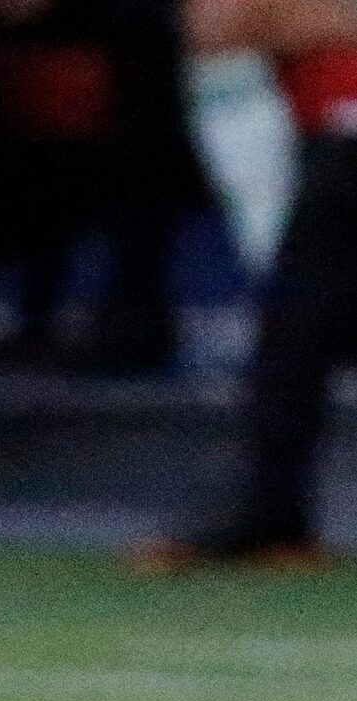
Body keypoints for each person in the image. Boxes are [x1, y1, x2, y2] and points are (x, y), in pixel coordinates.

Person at [135, 0, 357, 569]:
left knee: (299, 316)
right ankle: (269, 508)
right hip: (328, 131)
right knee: (297, 317)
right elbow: (220, 25)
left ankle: (268, 507)